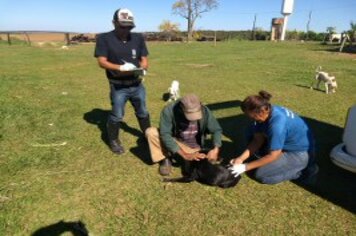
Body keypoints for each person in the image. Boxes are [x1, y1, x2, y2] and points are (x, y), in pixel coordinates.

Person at [229, 90, 318, 185]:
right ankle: (281, 158)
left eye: (252, 116)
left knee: (261, 175)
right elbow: (257, 140)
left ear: (262, 111)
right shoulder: (265, 113)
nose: (250, 119)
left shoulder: (277, 124)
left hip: (300, 153)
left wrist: (244, 167)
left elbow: (273, 155)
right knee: (249, 133)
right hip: (285, 146)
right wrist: (240, 159)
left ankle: (304, 171)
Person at [94, 8, 151, 155]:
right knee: (117, 115)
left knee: (143, 112)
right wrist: (120, 67)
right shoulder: (104, 38)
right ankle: (113, 140)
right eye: (122, 26)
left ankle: (148, 136)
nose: (126, 29)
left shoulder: (138, 38)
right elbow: (102, 62)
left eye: (129, 26)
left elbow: (144, 58)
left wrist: (142, 67)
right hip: (118, 86)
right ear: (114, 23)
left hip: (137, 84)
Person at [146, 94, 223, 176]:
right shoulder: (169, 110)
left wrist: (216, 148)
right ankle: (165, 158)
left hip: (195, 148)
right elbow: (165, 134)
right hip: (177, 141)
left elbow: (216, 130)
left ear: (200, 105)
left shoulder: (205, 110)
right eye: (190, 114)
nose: (194, 118)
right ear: (181, 107)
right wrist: (185, 155)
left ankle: (187, 157)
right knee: (151, 132)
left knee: (194, 170)